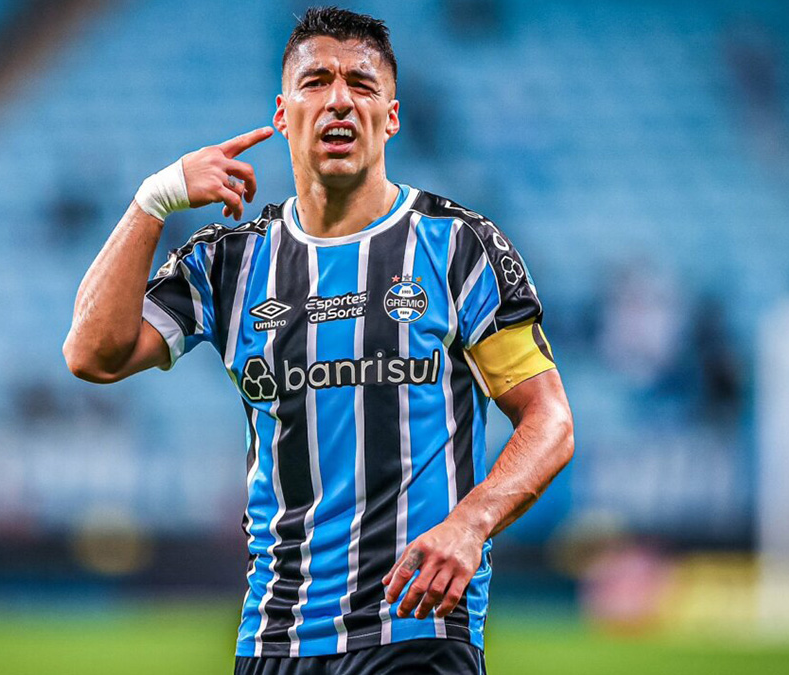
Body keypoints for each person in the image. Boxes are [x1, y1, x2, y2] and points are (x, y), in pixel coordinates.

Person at [63, 8, 574, 674]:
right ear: (283, 112)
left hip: (417, 629)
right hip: (277, 635)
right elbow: (91, 353)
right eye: (316, 81)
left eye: (361, 84)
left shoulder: (458, 247)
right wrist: (152, 200)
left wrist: (471, 522)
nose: (339, 99)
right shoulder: (229, 264)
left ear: (391, 115)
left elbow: (550, 419)